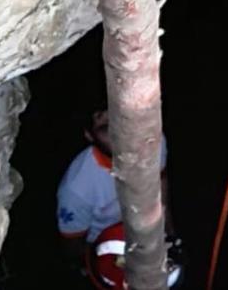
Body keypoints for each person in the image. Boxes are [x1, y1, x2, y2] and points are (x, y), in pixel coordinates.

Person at [56, 110, 174, 287]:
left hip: (146, 228)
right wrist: (92, 270)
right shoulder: (76, 189)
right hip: (105, 244)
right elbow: (73, 243)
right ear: (89, 136)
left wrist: (169, 232)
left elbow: (160, 183)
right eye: (105, 127)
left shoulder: (153, 143)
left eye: (123, 120)